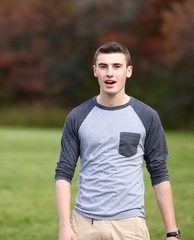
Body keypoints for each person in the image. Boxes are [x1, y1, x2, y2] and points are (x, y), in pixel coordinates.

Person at [54, 42, 180, 240]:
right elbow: (63, 172)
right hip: (84, 226)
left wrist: (172, 232)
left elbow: (159, 172)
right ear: (95, 71)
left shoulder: (147, 116)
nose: (109, 73)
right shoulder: (77, 116)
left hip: (130, 227)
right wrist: (64, 227)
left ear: (128, 71)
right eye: (103, 66)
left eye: (116, 66)